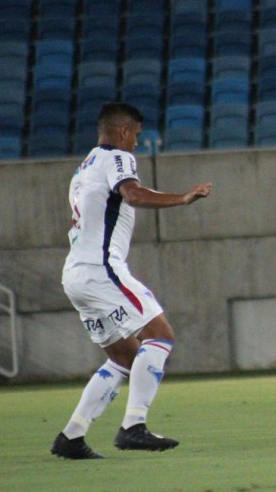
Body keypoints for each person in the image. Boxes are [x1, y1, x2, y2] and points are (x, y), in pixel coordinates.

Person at [51, 102, 213, 460]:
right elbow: (133, 194)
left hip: (75, 275)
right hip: (102, 270)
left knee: (123, 357)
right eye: (137, 135)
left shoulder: (84, 167)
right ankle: (133, 427)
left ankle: (72, 435)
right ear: (123, 131)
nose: (137, 143)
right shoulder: (116, 158)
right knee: (160, 335)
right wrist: (182, 198)